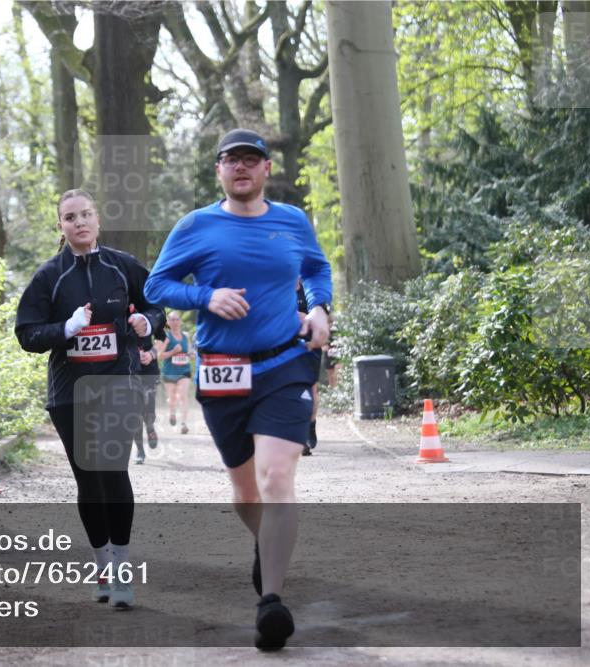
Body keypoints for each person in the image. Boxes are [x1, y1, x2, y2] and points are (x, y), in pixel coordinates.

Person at [144, 129, 332, 651]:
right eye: (231, 161)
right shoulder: (196, 226)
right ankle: (265, 546)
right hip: (223, 369)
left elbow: (316, 268)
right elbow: (156, 286)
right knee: (246, 492)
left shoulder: (292, 221)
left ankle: (271, 602)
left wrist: (318, 306)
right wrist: (208, 295)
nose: (241, 168)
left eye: (251, 160)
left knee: (276, 478)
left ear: (267, 169)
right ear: (219, 172)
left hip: (285, 364)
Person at [15, 189, 164, 609]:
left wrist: (144, 321)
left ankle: (121, 566)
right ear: (61, 226)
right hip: (70, 393)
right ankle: (101, 564)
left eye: (85, 215)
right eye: (69, 217)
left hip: (119, 383)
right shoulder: (50, 276)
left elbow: (158, 309)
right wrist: (65, 328)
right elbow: (27, 334)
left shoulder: (123, 266)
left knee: (114, 471)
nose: (78, 222)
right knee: (89, 480)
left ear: (97, 220)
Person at [155, 310, 194, 434]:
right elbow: (159, 355)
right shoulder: (165, 337)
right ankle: (172, 413)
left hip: (184, 370)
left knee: (183, 395)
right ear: (168, 322)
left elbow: (189, 351)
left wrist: (191, 354)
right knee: (172, 398)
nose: (175, 322)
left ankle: (184, 423)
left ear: (180, 321)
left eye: (177, 319)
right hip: (169, 372)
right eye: (172, 320)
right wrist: (173, 352)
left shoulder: (186, 336)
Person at [296, 280, 323, 456]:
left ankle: (309, 428)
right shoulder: (278, 284)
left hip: (310, 344)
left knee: (311, 389)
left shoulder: (310, 289)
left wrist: (307, 316)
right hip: (285, 344)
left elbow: (320, 316)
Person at [129, 332, 161, 464]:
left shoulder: (151, 312)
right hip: (130, 371)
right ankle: (140, 450)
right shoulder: (118, 315)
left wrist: (151, 354)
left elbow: (163, 339)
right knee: (135, 413)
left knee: (149, 410)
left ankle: (150, 426)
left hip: (149, 371)